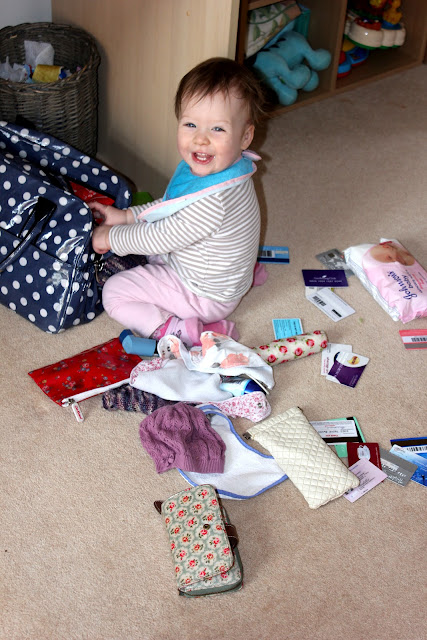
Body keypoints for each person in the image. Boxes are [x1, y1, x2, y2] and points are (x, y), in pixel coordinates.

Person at [90, 57, 266, 346]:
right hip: (224, 278)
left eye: (217, 129)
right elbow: (171, 205)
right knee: (151, 247)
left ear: (245, 136)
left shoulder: (213, 201)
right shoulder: (229, 169)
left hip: (204, 295)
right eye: (191, 124)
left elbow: (160, 237)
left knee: (114, 292)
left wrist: (111, 237)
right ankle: (238, 276)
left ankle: (175, 330)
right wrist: (126, 217)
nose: (201, 139)